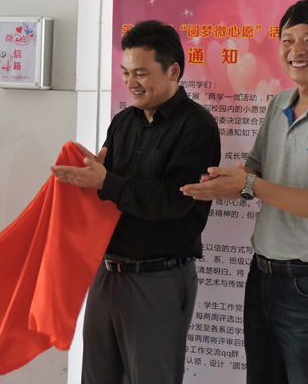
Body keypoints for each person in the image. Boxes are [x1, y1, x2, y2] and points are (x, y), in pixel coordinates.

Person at [181, 0, 308, 384]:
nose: (295, 50)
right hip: (263, 274)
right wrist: (226, 183)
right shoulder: (280, 103)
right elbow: (256, 171)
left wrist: (249, 184)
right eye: (287, 40)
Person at [51, 20, 221, 384]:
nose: (131, 83)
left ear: (173, 71)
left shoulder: (197, 126)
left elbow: (174, 198)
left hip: (157, 278)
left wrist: (106, 181)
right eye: (126, 72)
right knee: (96, 376)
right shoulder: (122, 122)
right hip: (107, 273)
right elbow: (107, 188)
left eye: (141, 73)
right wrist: (90, 174)